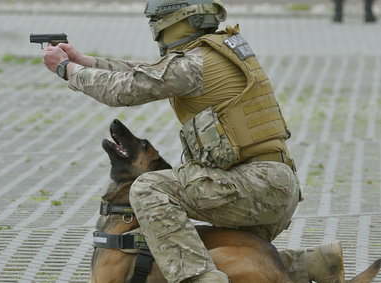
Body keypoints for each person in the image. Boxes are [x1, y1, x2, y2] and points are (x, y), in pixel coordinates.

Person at [43, 0, 346, 282]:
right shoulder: (211, 52)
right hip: (270, 185)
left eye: (157, 22)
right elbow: (146, 73)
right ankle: (314, 263)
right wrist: (85, 62)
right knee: (214, 248)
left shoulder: (193, 63)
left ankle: (199, 279)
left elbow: (127, 89)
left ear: (175, 22)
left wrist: (67, 70)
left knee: (149, 188)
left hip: (254, 184)